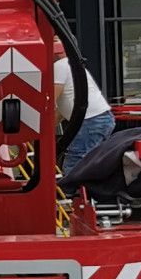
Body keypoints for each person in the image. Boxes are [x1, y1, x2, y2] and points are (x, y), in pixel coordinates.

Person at [56, 45, 115, 184]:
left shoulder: (59, 66)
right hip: (99, 119)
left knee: (75, 162)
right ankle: (90, 193)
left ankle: (73, 195)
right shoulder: (71, 65)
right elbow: (61, 110)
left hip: (90, 121)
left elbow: (48, 99)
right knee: (91, 163)